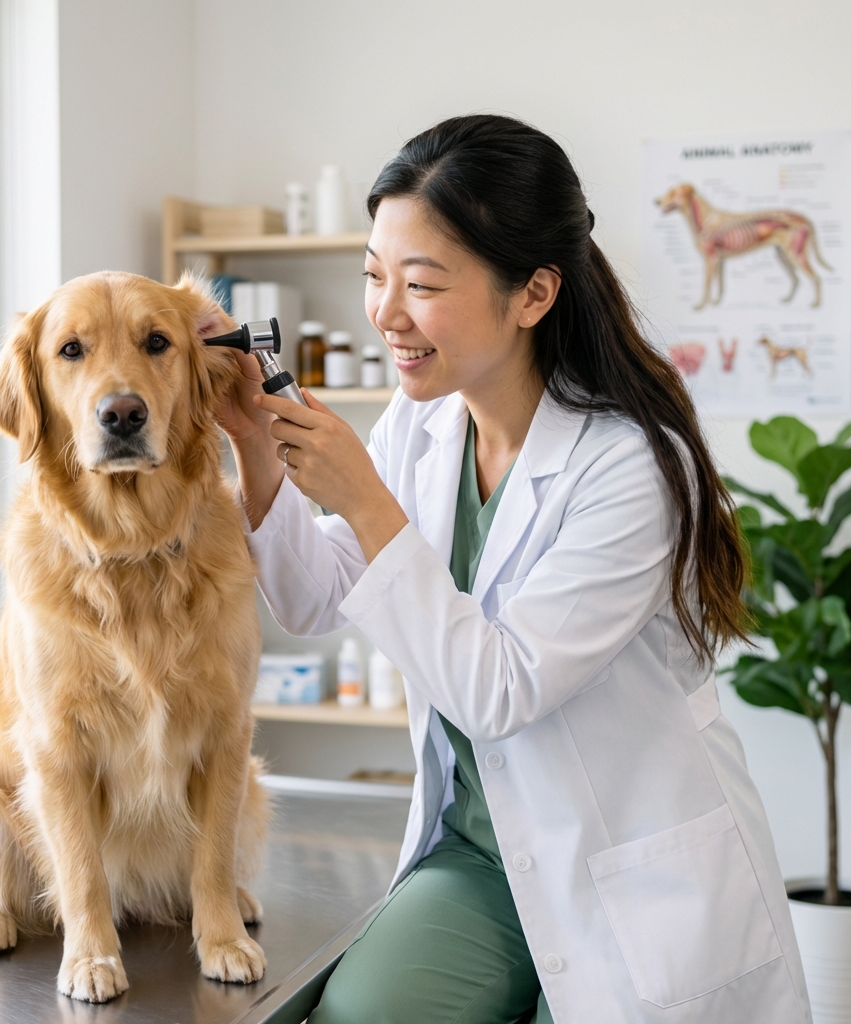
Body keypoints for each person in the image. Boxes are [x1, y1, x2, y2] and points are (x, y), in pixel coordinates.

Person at [217, 115, 810, 1024]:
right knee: (358, 1015)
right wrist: (258, 449)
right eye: (375, 276)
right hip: (481, 854)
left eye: (421, 284)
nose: (385, 314)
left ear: (533, 293)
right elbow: (313, 596)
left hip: (627, 860)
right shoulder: (421, 427)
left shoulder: (631, 466)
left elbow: (500, 688)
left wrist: (366, 501)